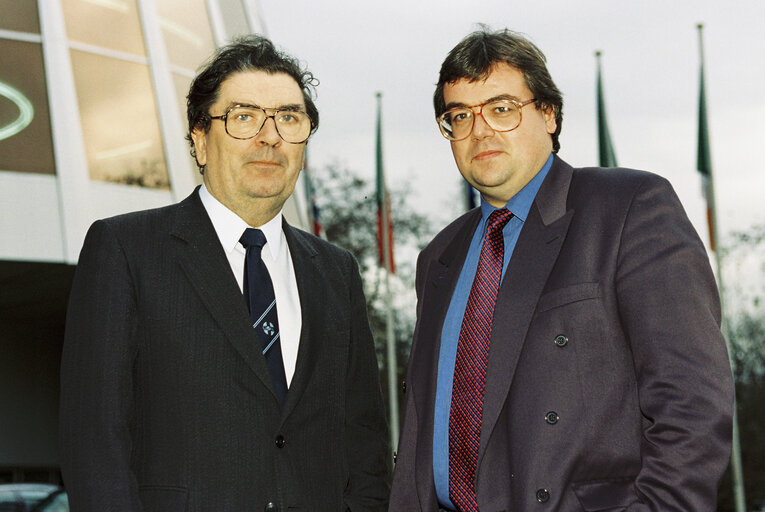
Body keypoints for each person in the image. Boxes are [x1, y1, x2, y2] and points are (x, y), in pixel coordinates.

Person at [389, 28, 733, 511]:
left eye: (502, 108)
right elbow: (424, 431)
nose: (480, 129)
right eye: (459, 116)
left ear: (548, 114)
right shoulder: (439, 256)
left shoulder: (627, 208)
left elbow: (692, 402)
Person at [60, 35, 390, 512]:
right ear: (200, 139)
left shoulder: (337, 271)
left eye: (289, 118)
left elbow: (364, 439)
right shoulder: (126, 250)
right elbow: (95, 441)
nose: (270, 136)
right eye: (244, 117)